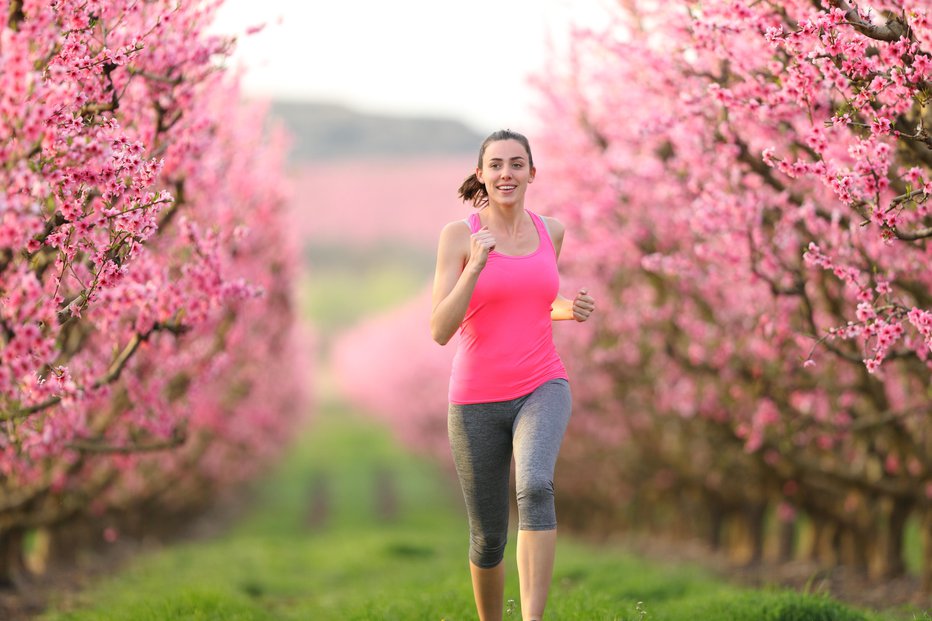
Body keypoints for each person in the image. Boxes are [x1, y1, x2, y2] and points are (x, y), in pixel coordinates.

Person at [430, 129, 595, 621]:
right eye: (496, 165)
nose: (507, 173)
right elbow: (440, 328)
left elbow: (533, 305)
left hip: (542, 384)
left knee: (536, 487)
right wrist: (475, 267)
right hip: (476, 399)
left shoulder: (553, 231)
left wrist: (571, 309)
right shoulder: (459, 236)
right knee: (487, 536)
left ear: (531, 174)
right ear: (481, 174)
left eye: (517, 164)